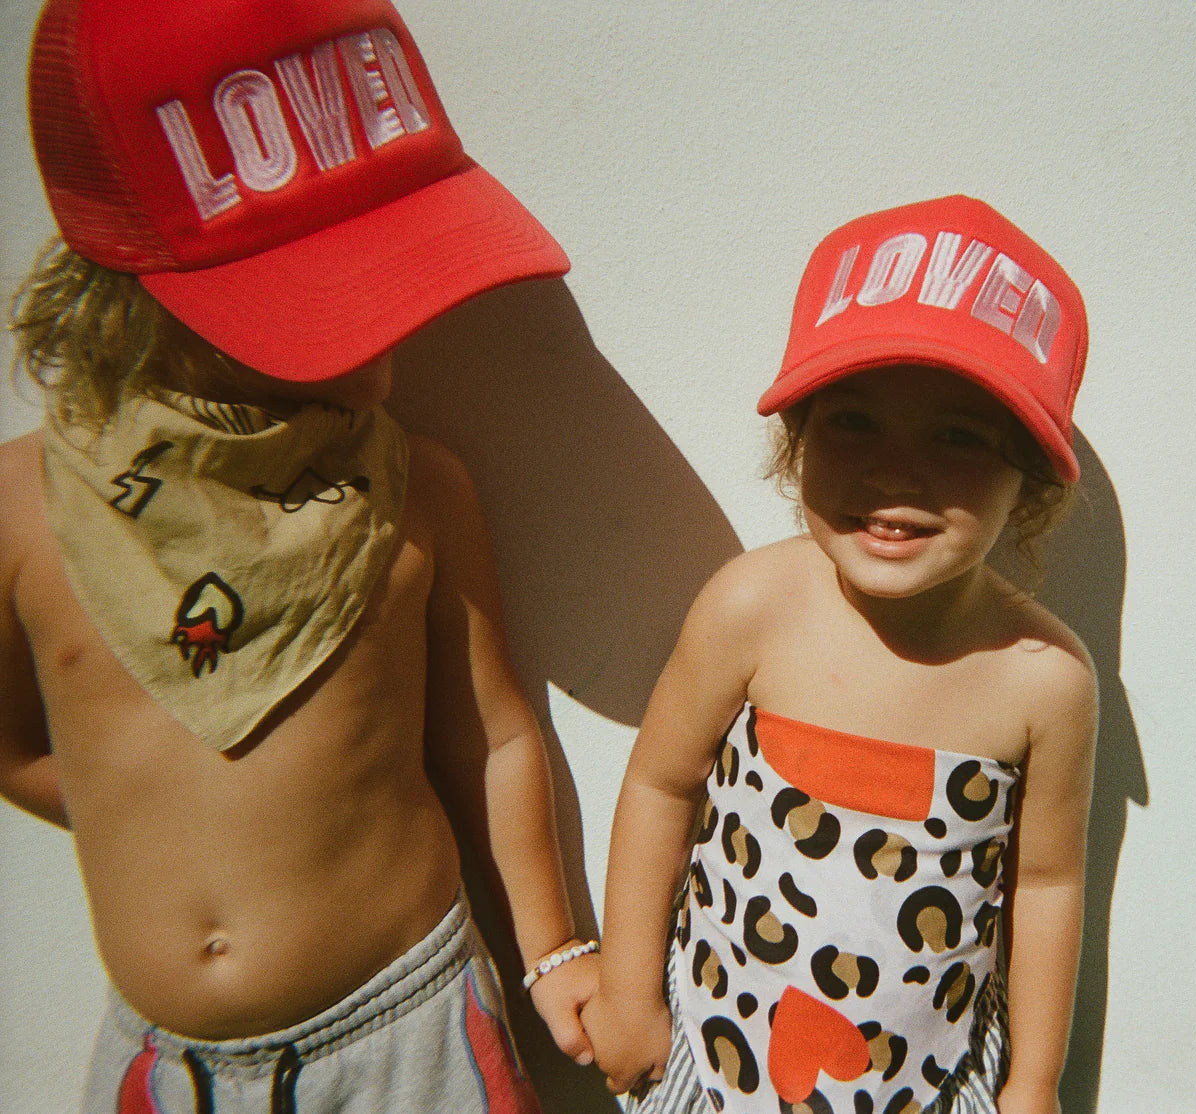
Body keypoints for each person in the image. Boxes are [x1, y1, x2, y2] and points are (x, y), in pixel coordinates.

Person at [0, 0, 598, 1109]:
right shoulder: (26, 507)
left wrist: (554, 948)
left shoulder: (419, 488)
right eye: (326, 281)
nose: (387, 324)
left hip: (409, 1037)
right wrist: (173, 816)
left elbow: (493, 734)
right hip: (163, 1067)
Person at [583, 195, 1099, 1114]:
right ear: (797, 441)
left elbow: (1049, 883)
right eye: (853, 421)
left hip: (930, 1081)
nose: (896, 469)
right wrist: (628, 995)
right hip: (716, 1050)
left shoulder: (1044, 681)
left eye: (957, 435)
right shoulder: (752, 605)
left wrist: (1034, 1082)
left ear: (1027, 480)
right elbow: (661, 785)